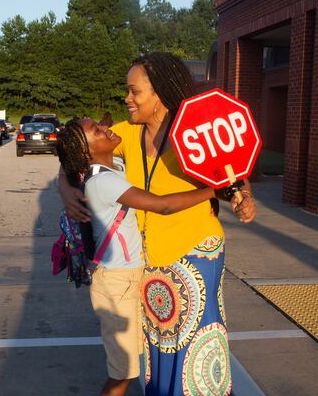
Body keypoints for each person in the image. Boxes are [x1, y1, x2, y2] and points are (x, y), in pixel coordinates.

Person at [60, 52, 256, 396]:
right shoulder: (128, 134)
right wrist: (65, 188)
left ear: (160, 94)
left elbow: (232, 168)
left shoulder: (195, 131)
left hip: (194, 253)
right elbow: (77, 152)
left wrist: (244, 195)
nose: (127, 99)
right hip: (151, 265)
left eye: (135, 92)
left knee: (193, 350)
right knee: (161, 350)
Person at [57, 117, 216, 396]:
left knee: (130, 367)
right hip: (117, 285)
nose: (106, 128)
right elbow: (162, 205)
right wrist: (213, 191)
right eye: (97, 130)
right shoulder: (102, 182)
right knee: (123, 374)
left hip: (126, 279)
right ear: (86, 153)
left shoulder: (113, 168)